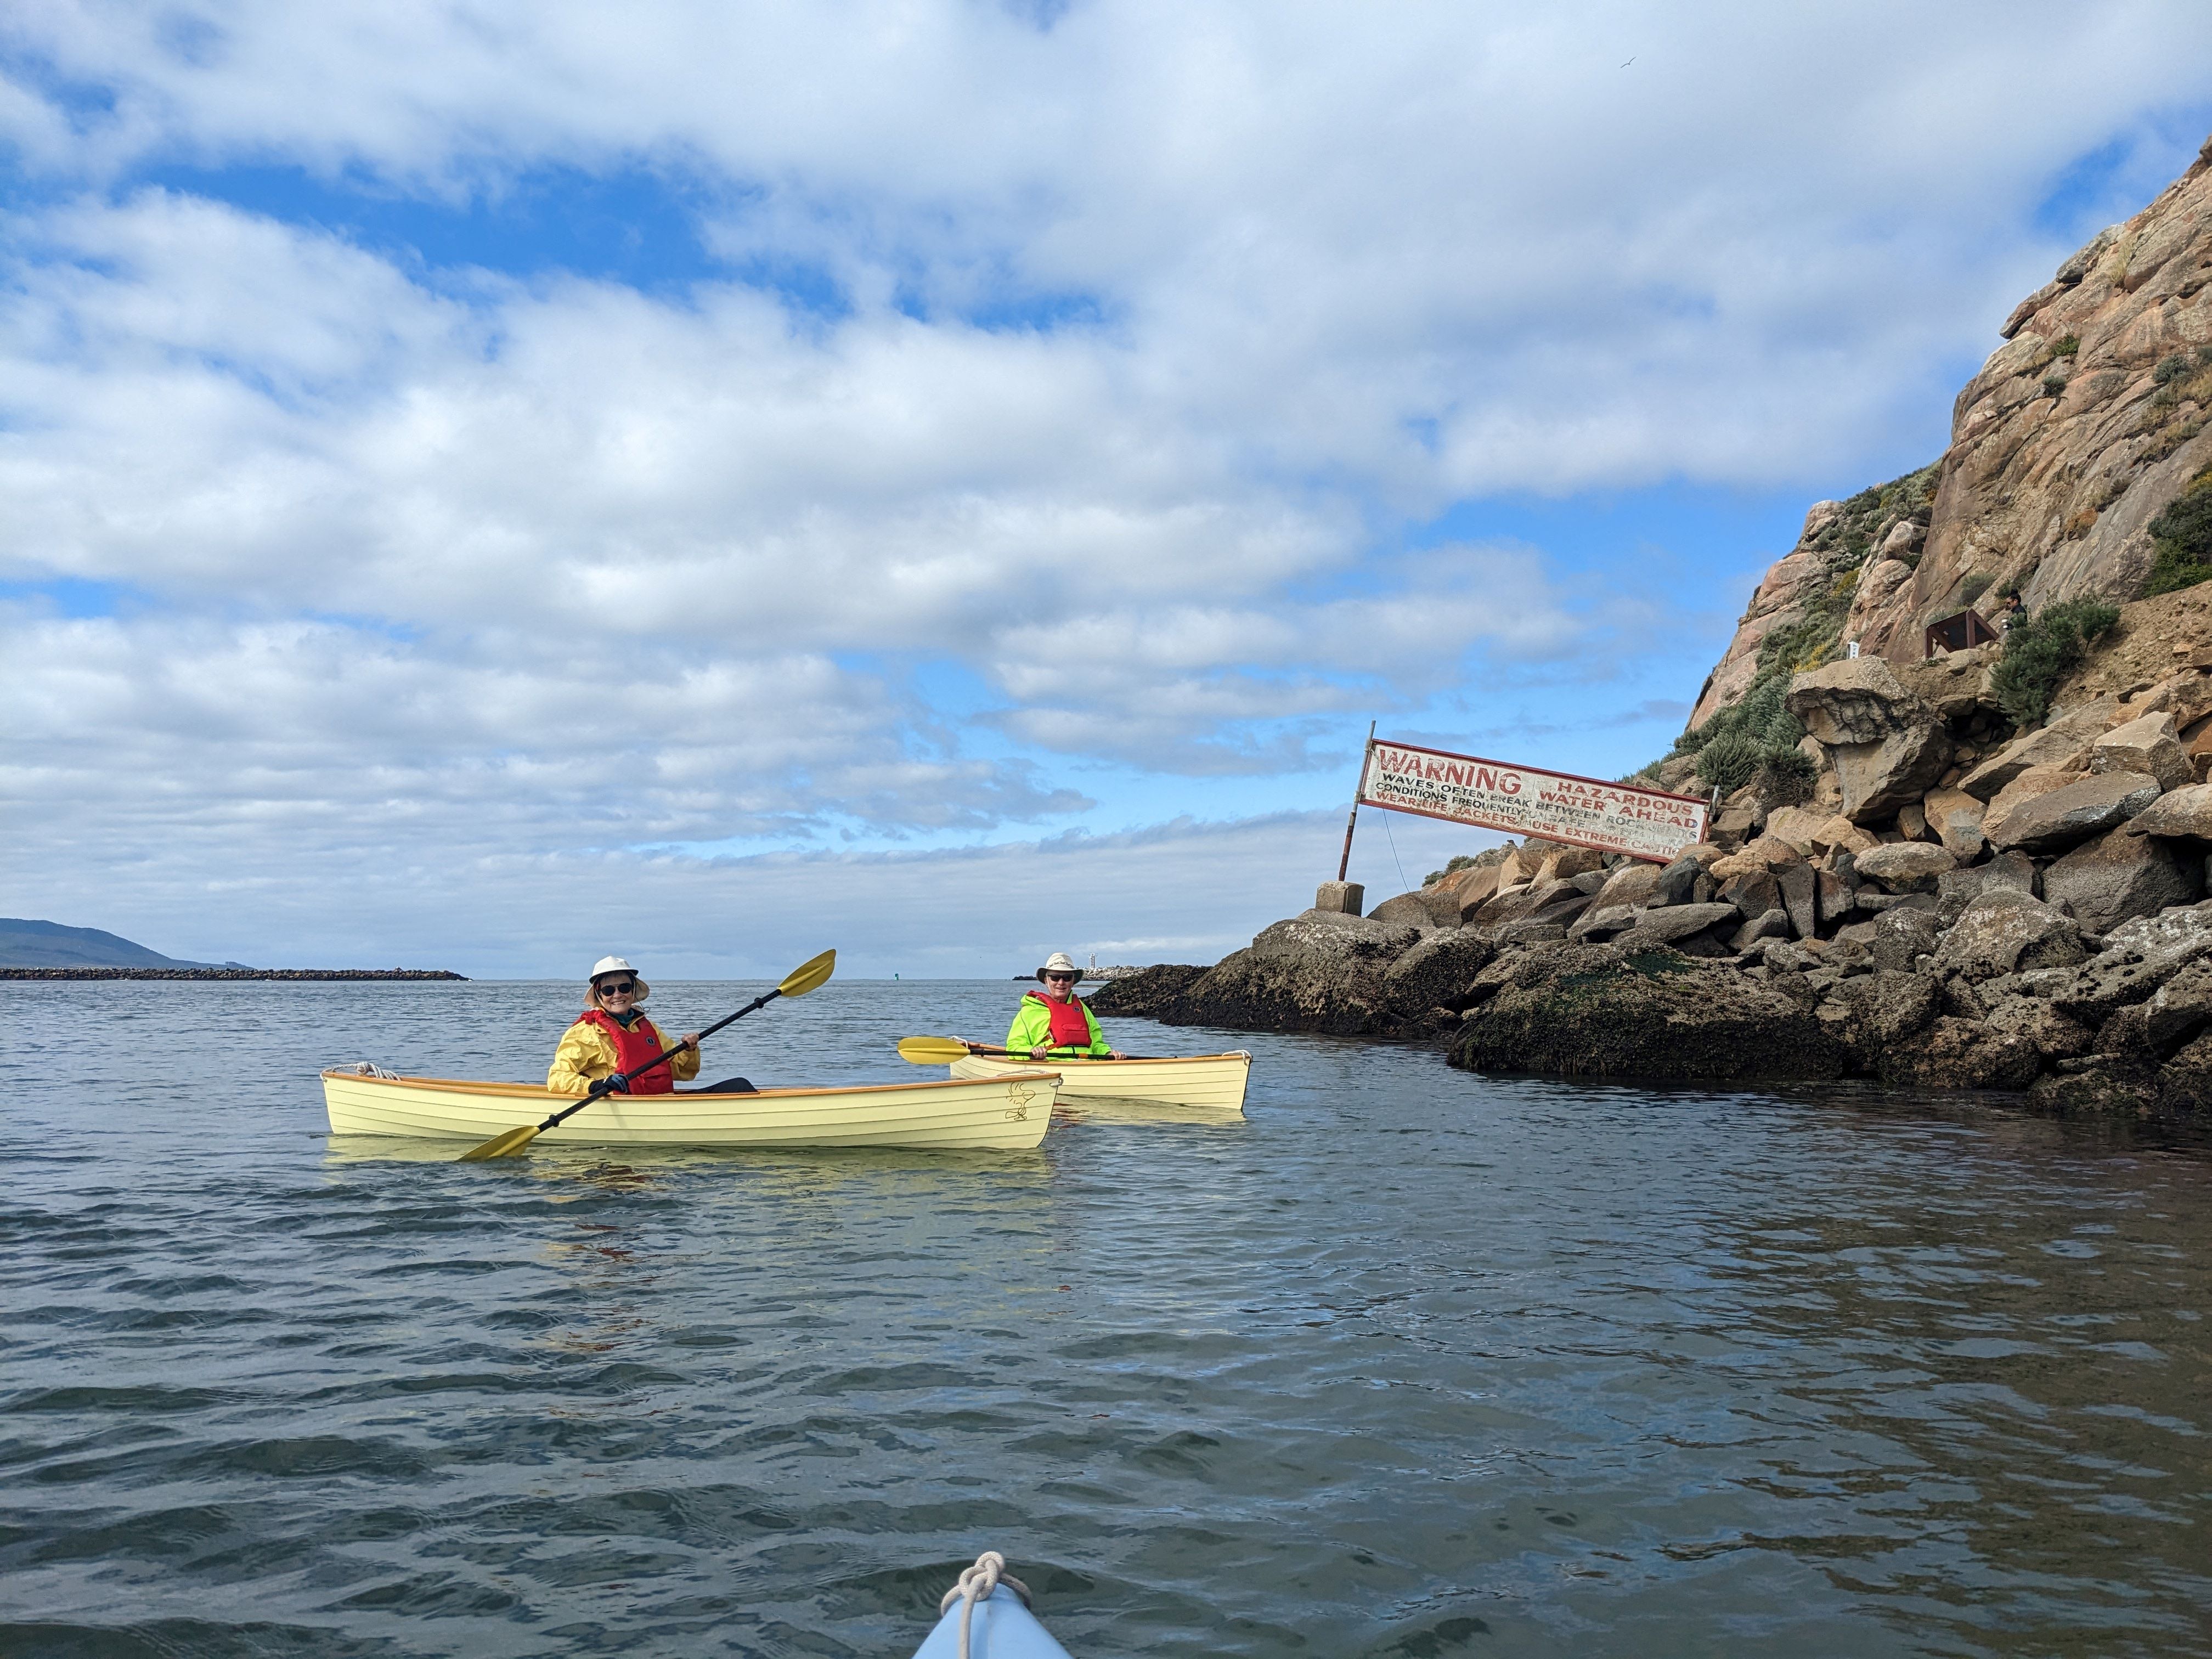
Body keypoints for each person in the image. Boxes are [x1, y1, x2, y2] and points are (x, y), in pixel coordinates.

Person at [547, 956, 705, 1096]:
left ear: (632, 990)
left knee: (731, 1085)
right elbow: (557, 1078)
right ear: (599, 995)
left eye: (624, 987)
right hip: (619, 1103)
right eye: (609, 990)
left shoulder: (649, 1029)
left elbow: (684, 1072)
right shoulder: (585, 1032)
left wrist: (689, 1050)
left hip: (659, 1100)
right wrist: (596, 1085)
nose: (617, 995)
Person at [1006, 952, 1125, 1061]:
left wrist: (1108, 1053)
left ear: (1073, 981)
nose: (1061, 983)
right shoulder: (1029, 1011)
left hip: (1086, 1067)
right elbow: (1014, 1047)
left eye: (1067, 978)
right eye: (1055, 978)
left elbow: (1096, 1044)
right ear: (1046, 980)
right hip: (1049, 1066)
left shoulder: (1083, 1009)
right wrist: (1031, 1052)